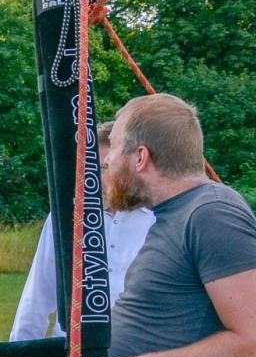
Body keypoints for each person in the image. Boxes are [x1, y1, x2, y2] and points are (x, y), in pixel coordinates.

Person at [102, 94, 256, 357]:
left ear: (140, 157)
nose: (107, 160)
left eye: (113, 146)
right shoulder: (175, 212)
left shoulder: (213, 214)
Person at [10, 123, 154, 341]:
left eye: (106, 167)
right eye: (92, 168)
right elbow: (38, 295)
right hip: (72, 350)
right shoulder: (66, 217)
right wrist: (19, 354)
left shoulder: (157, 220)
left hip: (136, 351)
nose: (98, 177)